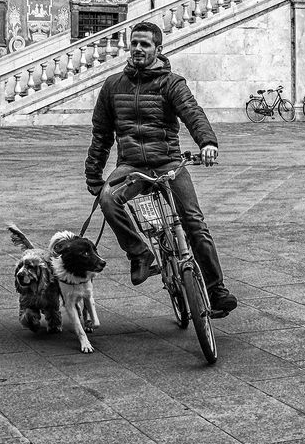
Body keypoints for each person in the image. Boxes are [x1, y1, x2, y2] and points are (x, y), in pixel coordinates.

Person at [85, 21, 238, 316]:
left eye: (145, 44)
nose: (138, 49)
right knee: (107, 199)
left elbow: (192, 112)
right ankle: (140, 254)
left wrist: (207, 142)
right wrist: (94, 175)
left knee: (194, 223)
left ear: (158, 49)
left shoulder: (172, 83)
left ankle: (216, 290)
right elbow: (101, 135)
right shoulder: (113, 85)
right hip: (130, 165)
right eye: (135, 43)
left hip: (168, 162)